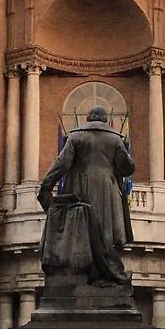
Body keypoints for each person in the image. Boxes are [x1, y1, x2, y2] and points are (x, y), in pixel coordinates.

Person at [38, 106, 134, 284]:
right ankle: (107, 273)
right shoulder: (115, 139)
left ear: (88, 118)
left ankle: (87, 272)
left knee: (82, 231)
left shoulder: (76, 137)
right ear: (104, 119)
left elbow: (62, 163)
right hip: (107, 189)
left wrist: (47, 184)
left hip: (79, 188)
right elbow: (128, 168)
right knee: (105, 232)